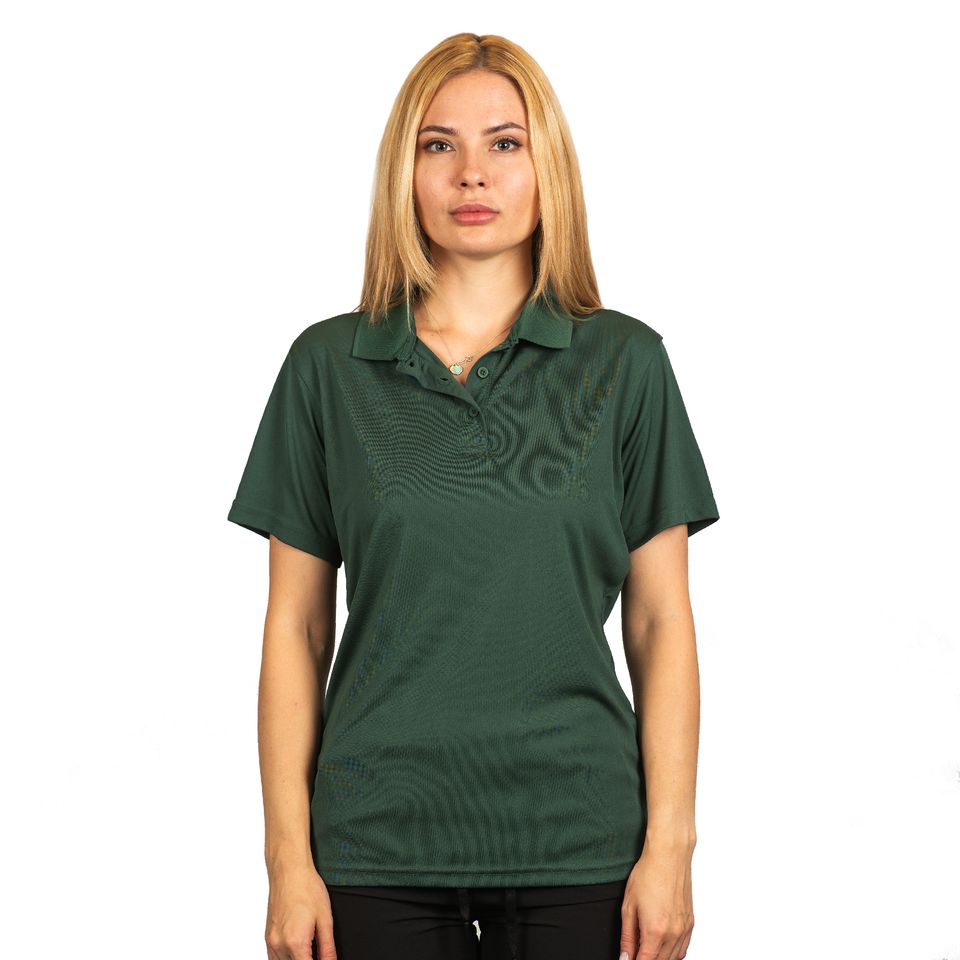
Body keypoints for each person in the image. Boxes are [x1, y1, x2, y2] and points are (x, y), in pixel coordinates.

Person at [227, 32, 719, 960]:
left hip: (582, 838)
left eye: (504, 142)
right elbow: (296, 628)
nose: (471, 174)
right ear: (405, 172)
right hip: (376, 840)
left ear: (547, 167)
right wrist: (287, 861)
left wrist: (672, 848)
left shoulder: (626, 364)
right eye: (438, 144)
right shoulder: (326, 368)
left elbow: (661, 623)